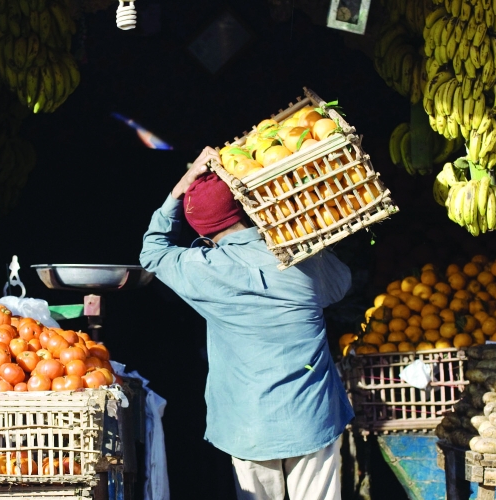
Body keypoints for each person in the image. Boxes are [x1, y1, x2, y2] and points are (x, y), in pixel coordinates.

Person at [139, 146, 355, 500]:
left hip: (248, 426)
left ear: (203, 231)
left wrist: (180, 189)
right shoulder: (298, 255)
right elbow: (342, 282)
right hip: (313, 418)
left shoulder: (203, 269)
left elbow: (152, 253)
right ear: (244, 208)